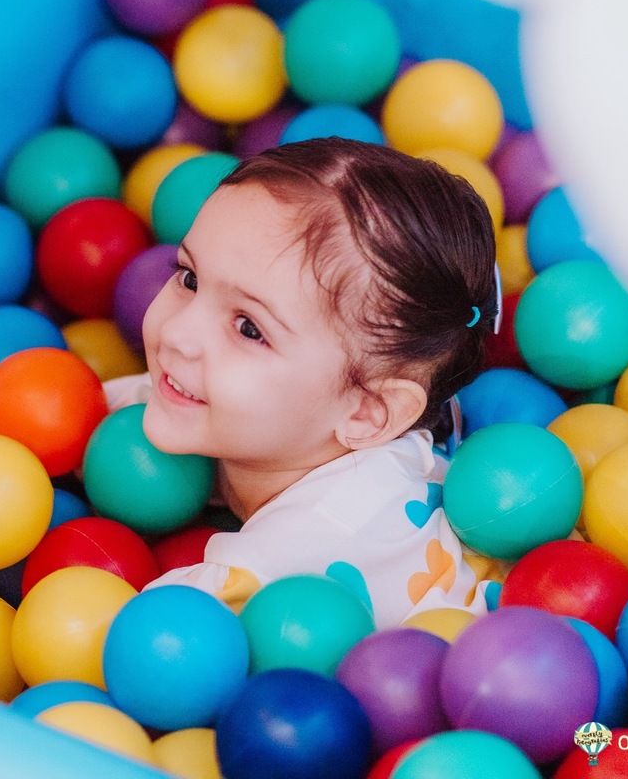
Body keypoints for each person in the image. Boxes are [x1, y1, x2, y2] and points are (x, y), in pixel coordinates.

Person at [103, 137, 505, 628]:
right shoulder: (260, 412)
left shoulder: (295, 557)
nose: (176, 333)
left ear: (366, 413)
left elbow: (156, 637)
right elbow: (122, 401)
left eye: (249, 328)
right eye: (189, 278)